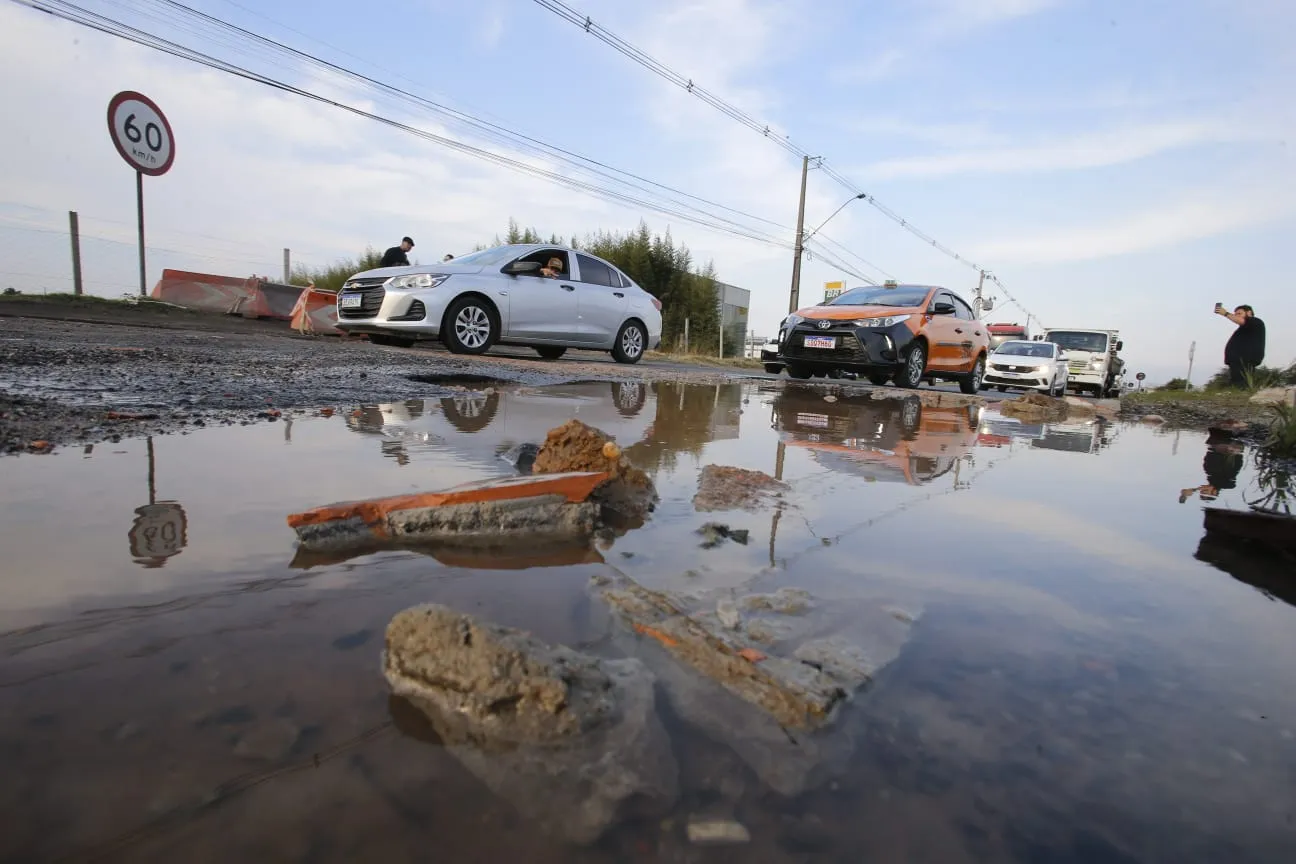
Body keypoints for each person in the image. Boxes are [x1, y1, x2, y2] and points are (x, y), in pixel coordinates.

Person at [1215, 303, 1265, 387]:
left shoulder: (1255, 321)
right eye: (1235, 314)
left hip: (1245, 359)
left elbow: (1242, 321)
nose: (1236, 316)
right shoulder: (1245, 328)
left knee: (1241, 383)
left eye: (1239, 314)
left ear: (1249, 313)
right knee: (1236, 382)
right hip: (1238, 360)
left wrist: (1226, 313)